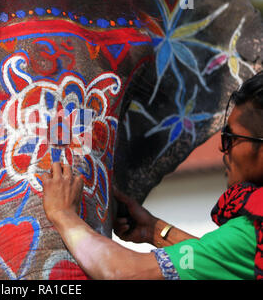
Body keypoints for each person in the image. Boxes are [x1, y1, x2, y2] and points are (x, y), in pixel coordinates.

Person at [42, 71, 263, 280]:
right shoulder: (250, 240)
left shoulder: (252, 232)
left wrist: (63, 214)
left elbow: (120, 272)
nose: (223, 149)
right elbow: (220, 260)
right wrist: (154, 230)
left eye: (231, 138)